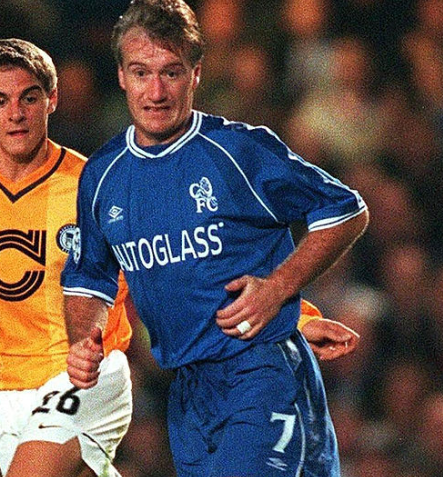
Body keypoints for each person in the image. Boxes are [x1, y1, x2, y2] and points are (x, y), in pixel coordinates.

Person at [0, 37, 358, 477]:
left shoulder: (94, 183)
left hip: (87, 375)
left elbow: (176, 265)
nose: (16, 114)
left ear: (52, 100)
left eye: (29, 98)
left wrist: (294, 316)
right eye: (0, 100)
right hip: (3, 393)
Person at [62, 1, 369, 476]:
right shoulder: (102, 176)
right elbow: (90, 279)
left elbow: (345, 210)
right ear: (121, 76)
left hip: (261, 372)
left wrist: (277, 288)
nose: (156, 91)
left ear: (196, 74)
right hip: (187, 394)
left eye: (171, 72)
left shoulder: (238, 151)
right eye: (141, 73)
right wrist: (83, 340)